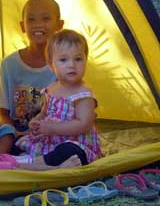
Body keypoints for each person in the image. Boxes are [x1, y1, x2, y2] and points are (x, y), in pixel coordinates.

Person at [16, 29, 104, 164]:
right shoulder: (51, 89)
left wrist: (52, 129)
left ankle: (35, 163)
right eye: (63, 60)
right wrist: (36, 121)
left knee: (70, 151)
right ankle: (36, 160)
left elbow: (83, 125)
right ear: (51, 65)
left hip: (75, 143)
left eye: (78, 59)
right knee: (20, 141)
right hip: (50, 141)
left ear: (86, 60)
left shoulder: (83, 94)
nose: (72, 65)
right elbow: (44, 113)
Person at [0, 0, 64, 135]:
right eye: (31, 19)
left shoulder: (65, 63)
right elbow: (3, 114)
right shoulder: (9, 65)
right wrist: (15, 134)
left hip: (54, 134)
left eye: (46, 18)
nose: (38, 24)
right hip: (18, 135)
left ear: (59, 25)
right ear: (23, 26)